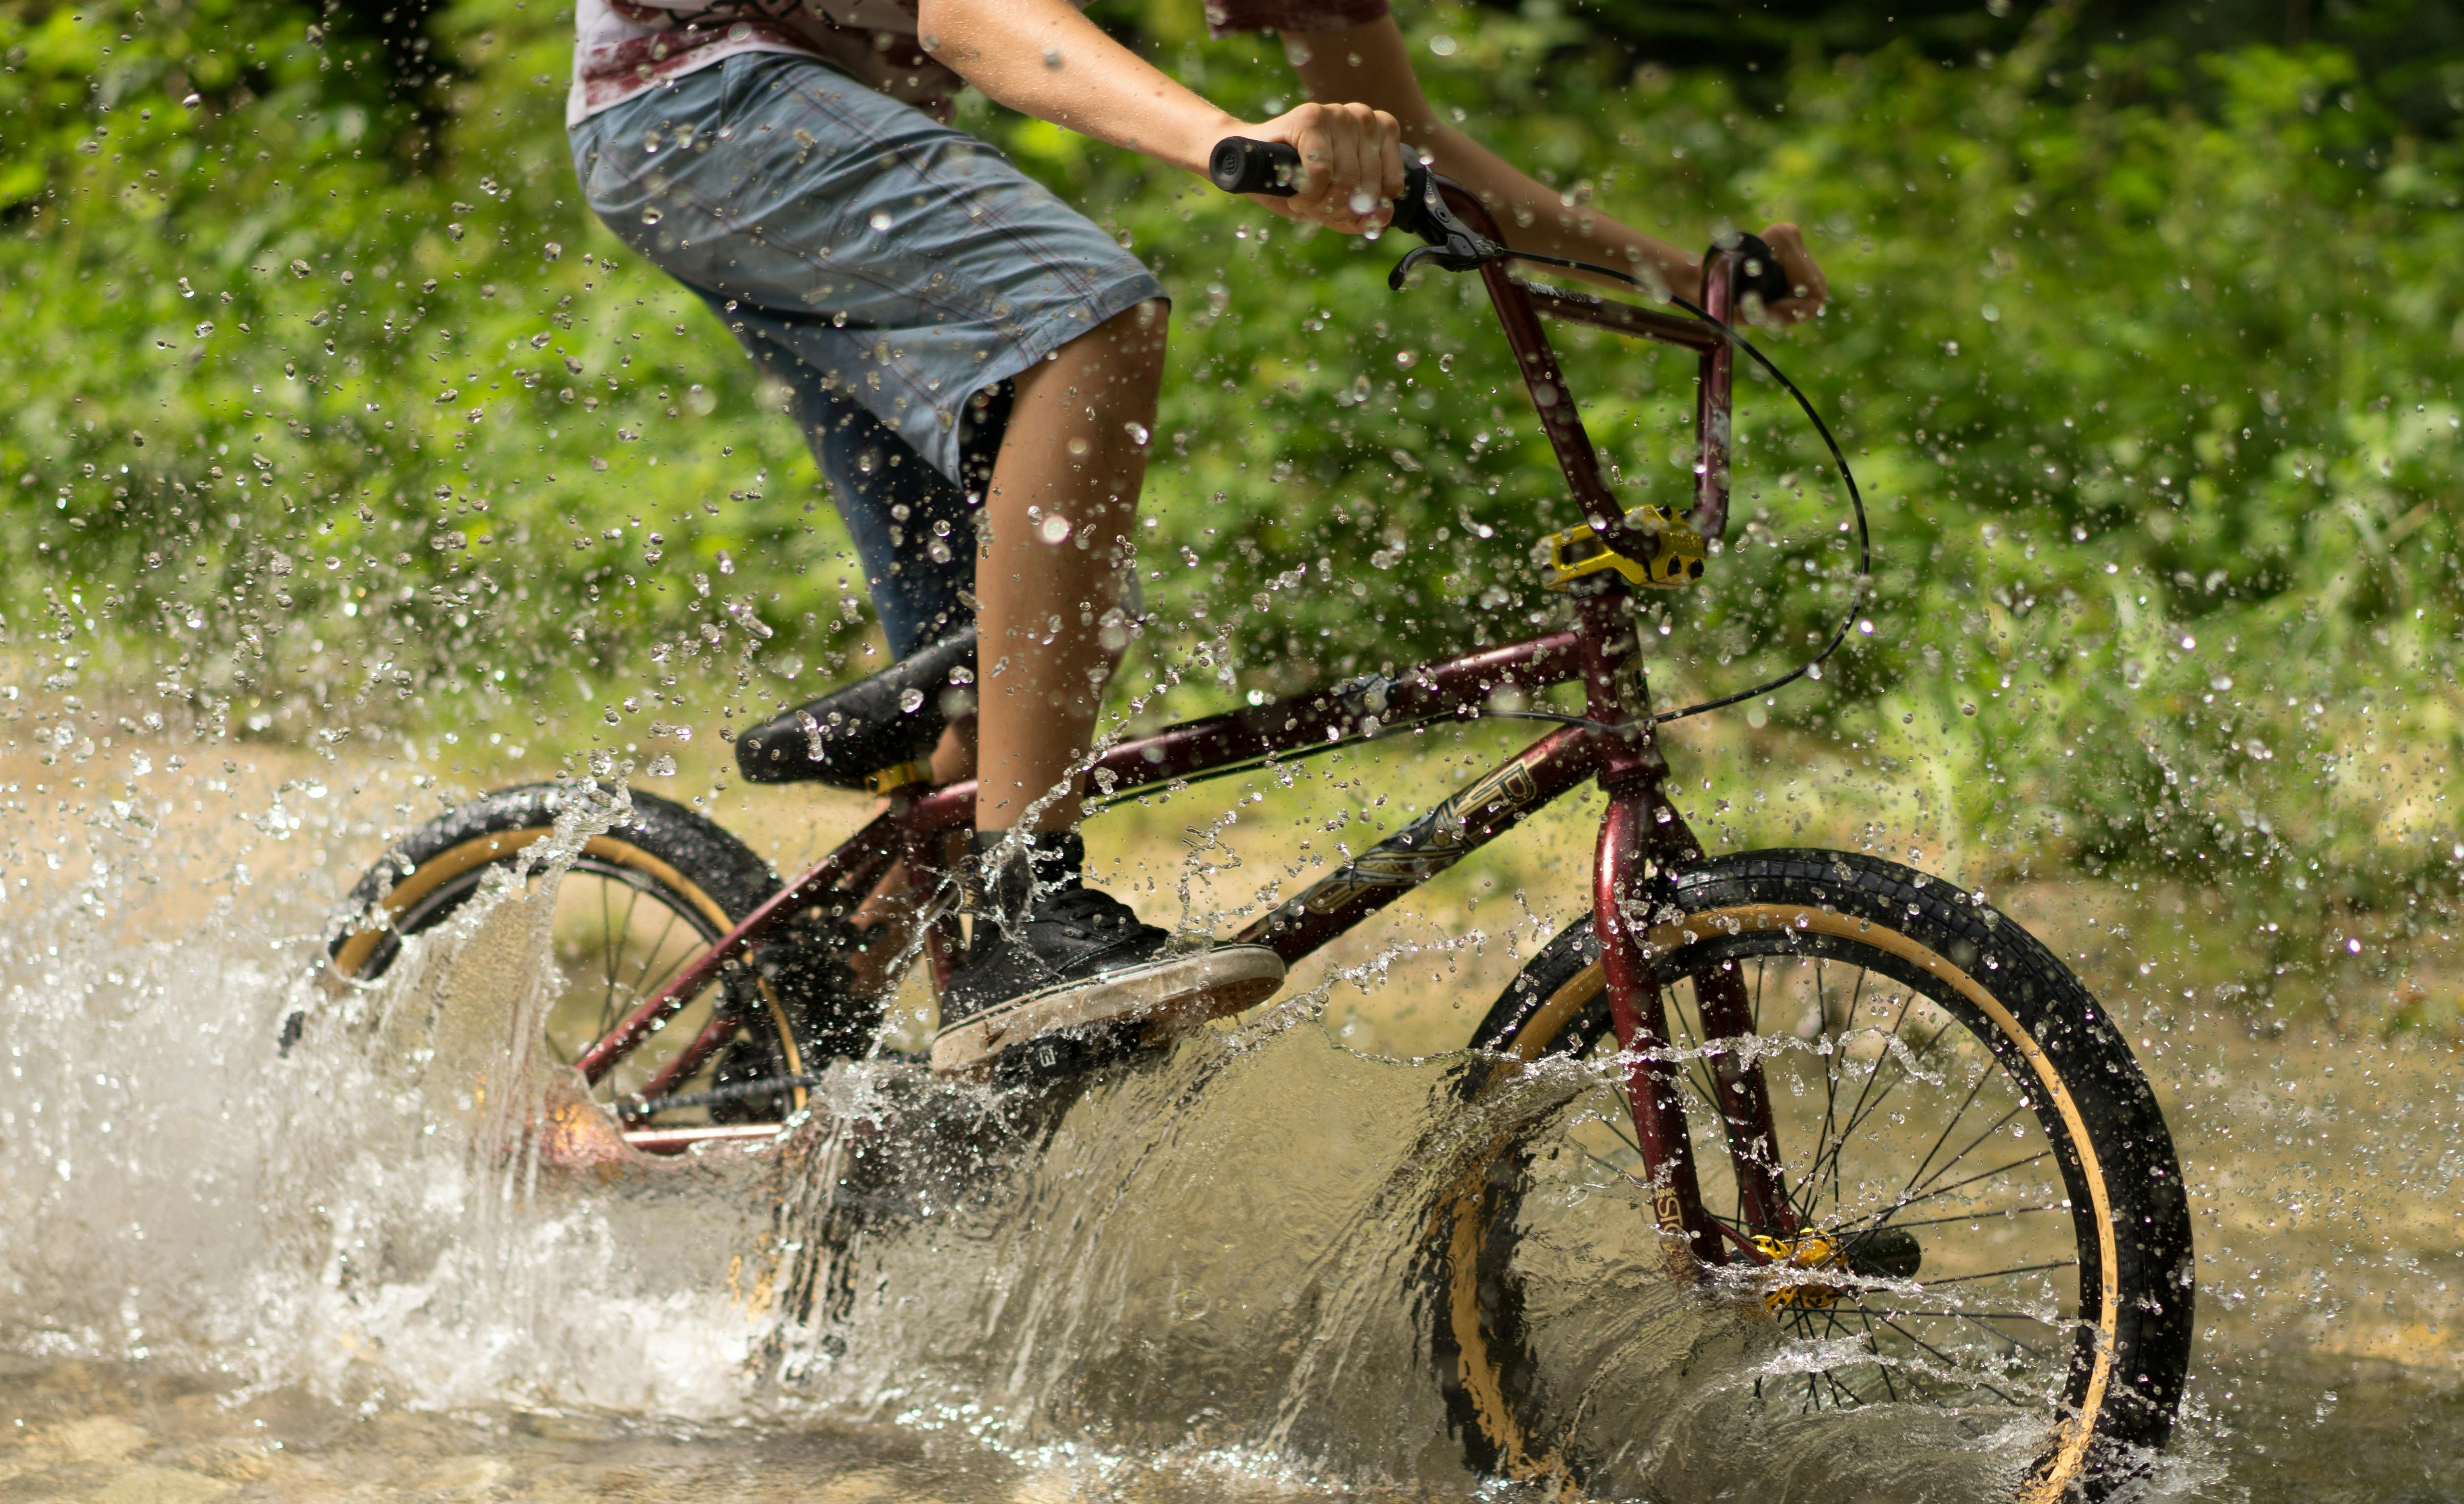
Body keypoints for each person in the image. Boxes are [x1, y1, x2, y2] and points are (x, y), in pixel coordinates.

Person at [567, 0, 1826, 1072]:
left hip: (837, 121)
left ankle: (785, 1061)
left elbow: (1417, 142)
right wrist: (1228, 138)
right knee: (1090, 316)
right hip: (698, 100)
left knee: (1004, 682)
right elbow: (967, 14)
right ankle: (1021, 919)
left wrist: (1685, 280)